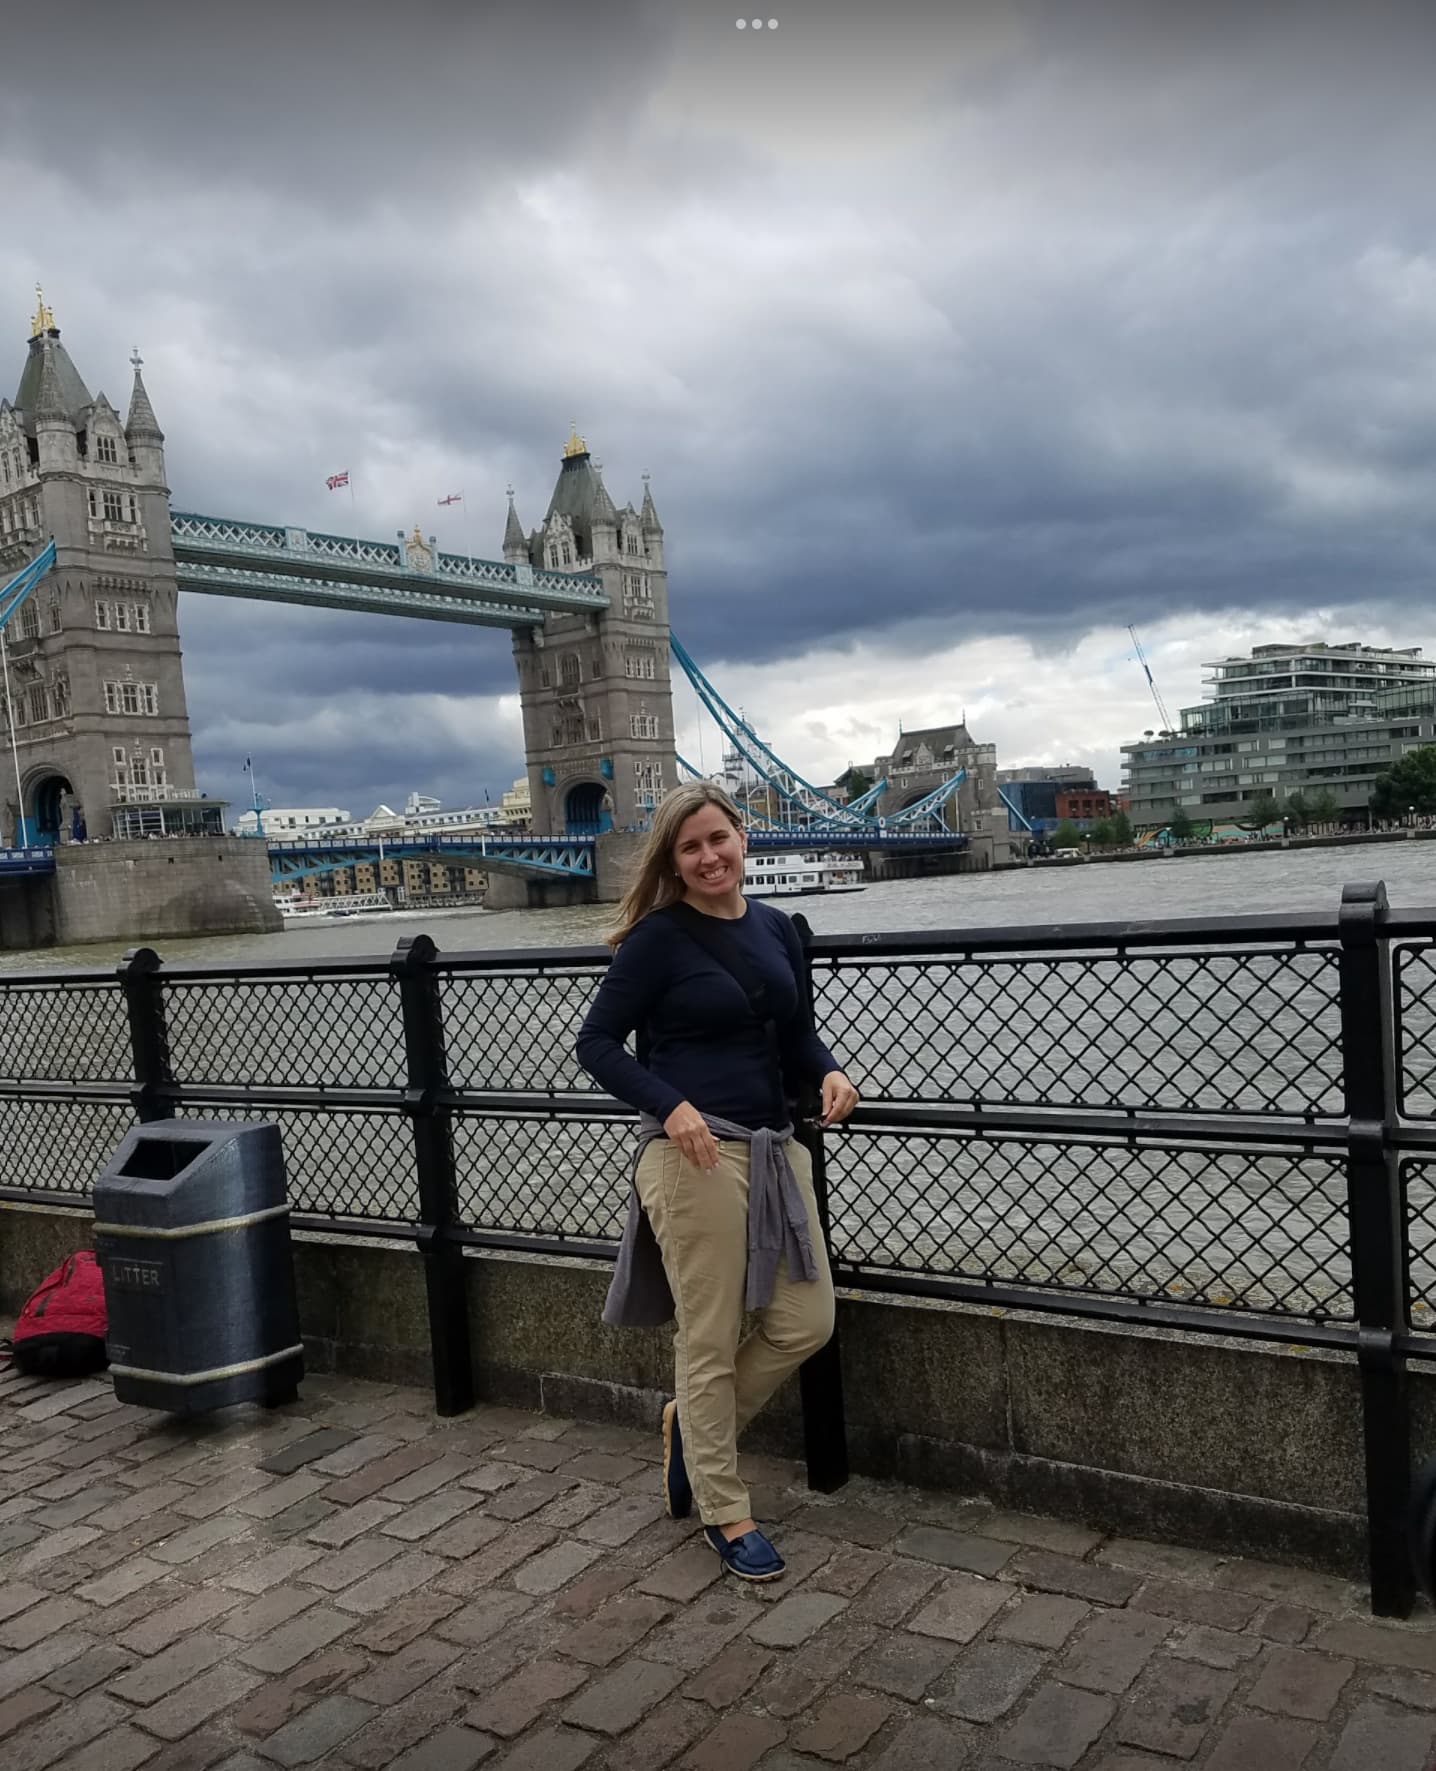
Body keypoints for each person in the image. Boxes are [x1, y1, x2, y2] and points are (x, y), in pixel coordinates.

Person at [575, 782, 859, 1582]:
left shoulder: (775, 927)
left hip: (776, 1147)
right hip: (695, 1155)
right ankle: (725, 1509)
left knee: (807, 1320)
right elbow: (596, 1043)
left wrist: (831, 1070)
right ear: (674, 861)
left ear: (743, 837)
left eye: (718, 838)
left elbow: (795, 1031)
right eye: (689, 847)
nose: (708, 857)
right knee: (709, 1335)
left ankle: (691, 1432)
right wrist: (671, 1108)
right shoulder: (657, 941)